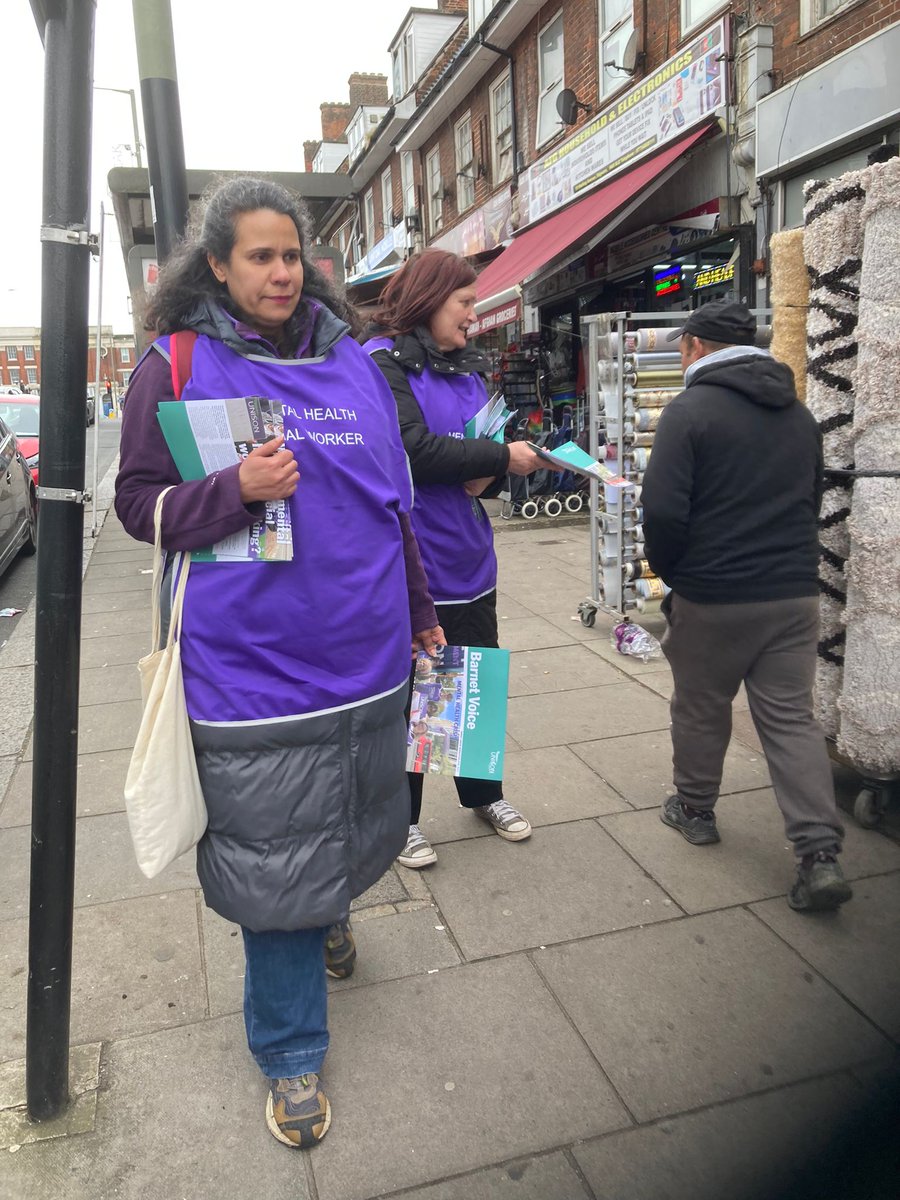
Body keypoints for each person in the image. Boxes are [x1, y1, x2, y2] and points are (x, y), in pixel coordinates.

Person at [115, 177, 442, 1148]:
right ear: (216, 263)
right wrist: (231, 491)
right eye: (258, 255)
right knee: (274, 858)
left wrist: (422, 612)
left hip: (365, 658)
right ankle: (291, 1049)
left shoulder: (353, 366)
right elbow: (138, 505)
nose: (280, 271)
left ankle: (327, 913)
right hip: (249, 676)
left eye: (290, 254)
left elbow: (394, 505)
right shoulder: (173, 365)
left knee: (338, 819)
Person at [641, 299, 851, 912]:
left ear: (698, 348)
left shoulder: (689, 412)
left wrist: (678, 576)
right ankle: (819, 855)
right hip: (792, 594)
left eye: (682, 346)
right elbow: (813, 497)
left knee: (702, 706)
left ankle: (696, 809)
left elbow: (662, 511)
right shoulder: (799, 415)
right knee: (790, 719)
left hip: (715, 594)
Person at [362, 250, 541, 869]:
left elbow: (483, 452)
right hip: (412, 565)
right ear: (428, 299)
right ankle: (402, 819)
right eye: (464, 302)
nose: (474, 314)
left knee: (473, 687)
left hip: (469, 557)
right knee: (413, 694)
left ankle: (483, 795)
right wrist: (494, 460)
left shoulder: (468, 371)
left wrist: (490, 472)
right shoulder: (380, 365)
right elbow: (413, 451)